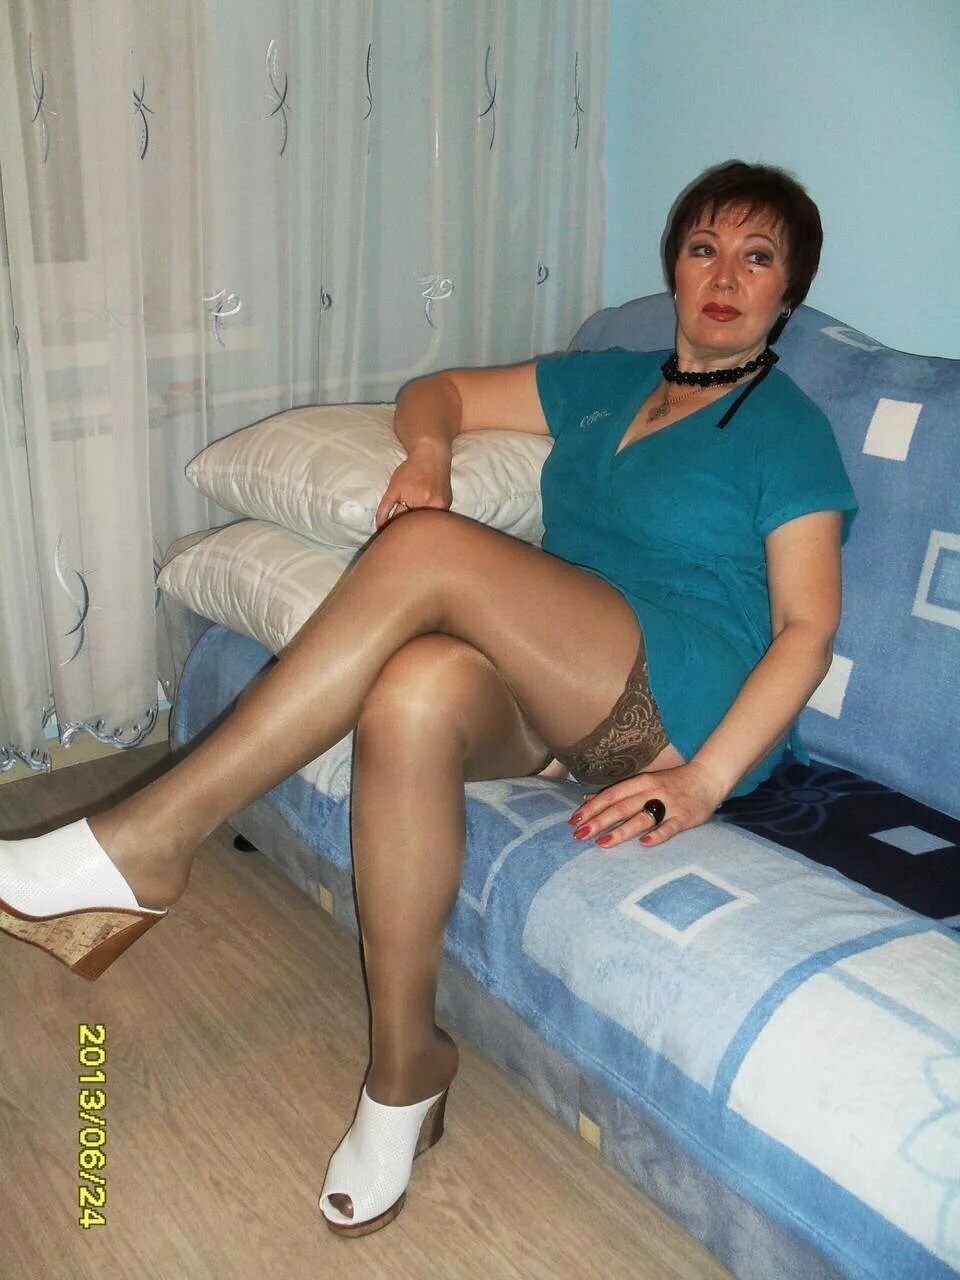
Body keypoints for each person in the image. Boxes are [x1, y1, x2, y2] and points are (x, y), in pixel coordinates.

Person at [0, 161, 857, 1236]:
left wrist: (704, 780)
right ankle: (406, 1075)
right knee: (410, 690)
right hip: (566, 681)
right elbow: (437, 391)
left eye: (757, 257)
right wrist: (430, 450)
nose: (725, 276)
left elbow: (807, 628)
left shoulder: (787, 427)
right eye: (704, 248)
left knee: (431, 550)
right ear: (673, 267)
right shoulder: (607, 381)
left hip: (689, 696)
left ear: (789, 292)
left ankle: (148, 842)